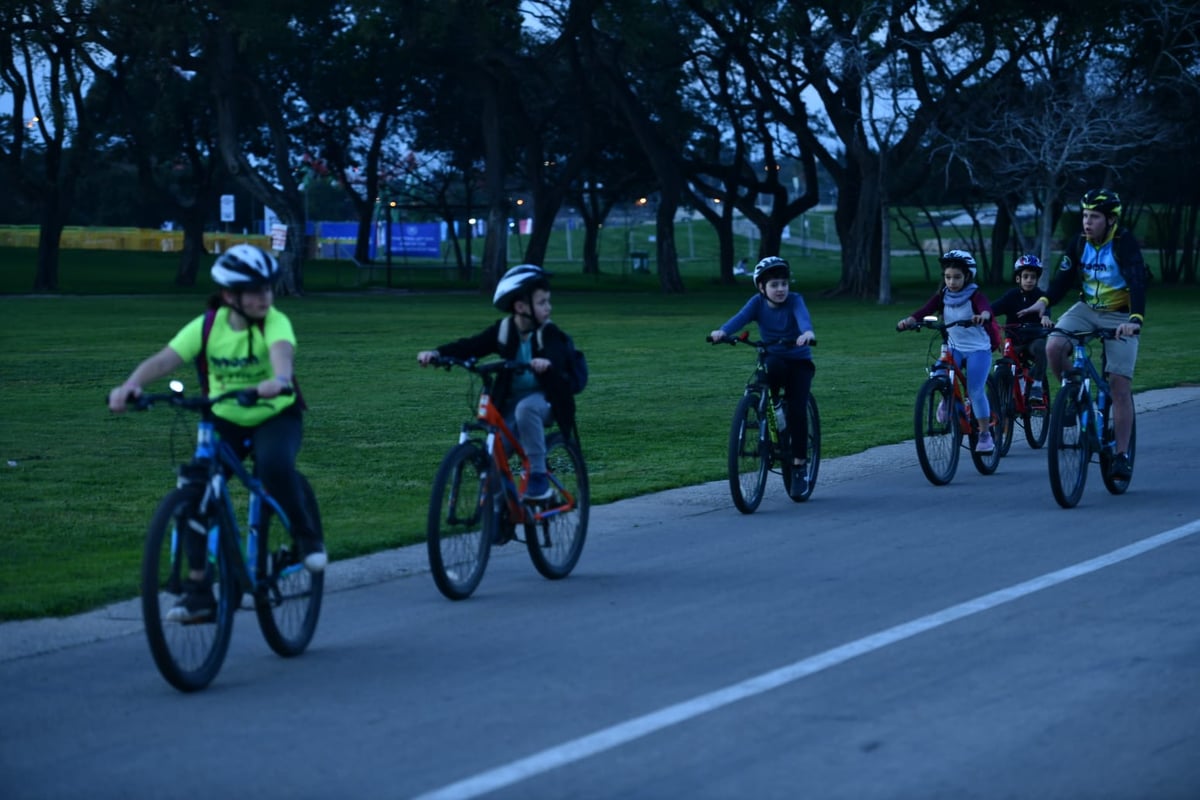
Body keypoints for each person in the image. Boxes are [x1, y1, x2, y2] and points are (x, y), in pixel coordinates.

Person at [108, 244, 325, 623]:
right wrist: (130, 386)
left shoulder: (274, 322)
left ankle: (306, 537)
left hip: (275, 415)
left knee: (273, 467)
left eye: (268, 289)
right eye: (255, 290)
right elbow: (165, 359)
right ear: (230, 296)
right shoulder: (208, 326)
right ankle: (199, 592)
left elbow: (282, 354)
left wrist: (279, 380)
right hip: (224, 417)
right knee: (194, 492)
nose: (265, 297)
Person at [416, 263, 578, 501]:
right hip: (511, 403)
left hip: (545, 399)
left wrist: (545, 361)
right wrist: (438, 354)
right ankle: (495, 510)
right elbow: (471, 345)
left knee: (526, 409)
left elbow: (556, 353)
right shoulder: (504, 330)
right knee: (494, 452)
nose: (549, 308)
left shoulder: (548, 332)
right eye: (542, 302)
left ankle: (538, 478)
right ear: (521, 306)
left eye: (548, 301)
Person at [1019, 188, 1145, 479]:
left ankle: (1122, 455)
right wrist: (1044, 301)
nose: (1087, 222)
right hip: (1086, 308)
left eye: (1095, 217)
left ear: (1111, 220)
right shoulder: (1079, 243)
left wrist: (1135, 319)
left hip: (1121, 314)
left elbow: (1137, 282)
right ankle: (1073, 392)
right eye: (1085, 216)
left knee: (1119, 385)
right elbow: (1063, 279)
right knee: (1053, 346)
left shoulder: (1124, 244)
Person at [709, 256, 816, 499]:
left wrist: (807, 332)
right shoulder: (756, 303)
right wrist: (723, 332)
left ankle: (799, 465)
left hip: (799, 362)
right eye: (774, 285)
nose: (780, 289)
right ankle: (771, 409)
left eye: (783, 284)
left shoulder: (795, 300)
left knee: (798, 410)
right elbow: (740, 318)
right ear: (761, 287)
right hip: (773, 358)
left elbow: (803, 318)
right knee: (763, 377)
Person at [896, 249, 997, 454]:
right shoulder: (943, 295)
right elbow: (925, 310)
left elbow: (986, 308)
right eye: (948, 277)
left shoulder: (975, 295)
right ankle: (945, 398)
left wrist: (983, 316)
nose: (952, 282)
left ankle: (985, 434)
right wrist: (910, 321)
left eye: (957, 277)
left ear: (967, 276)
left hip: (978, 349)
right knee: (939, 371)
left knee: (975, 390)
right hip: (954, 346)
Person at [989, 254, 1054, 403]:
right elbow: (994, 308)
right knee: (1005, 363)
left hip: (1033, 339)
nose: (1029, 280)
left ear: (1037, 279)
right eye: (1025, 276)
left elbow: (1046, 310)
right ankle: (1001, 397)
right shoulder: (1011, 296)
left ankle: (1037, 385)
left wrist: (1045, 317)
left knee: (1041, 347)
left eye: (1032, 277)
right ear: (1018, 279)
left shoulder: (1041, 296)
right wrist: (983, 315)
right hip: (1014, 339)